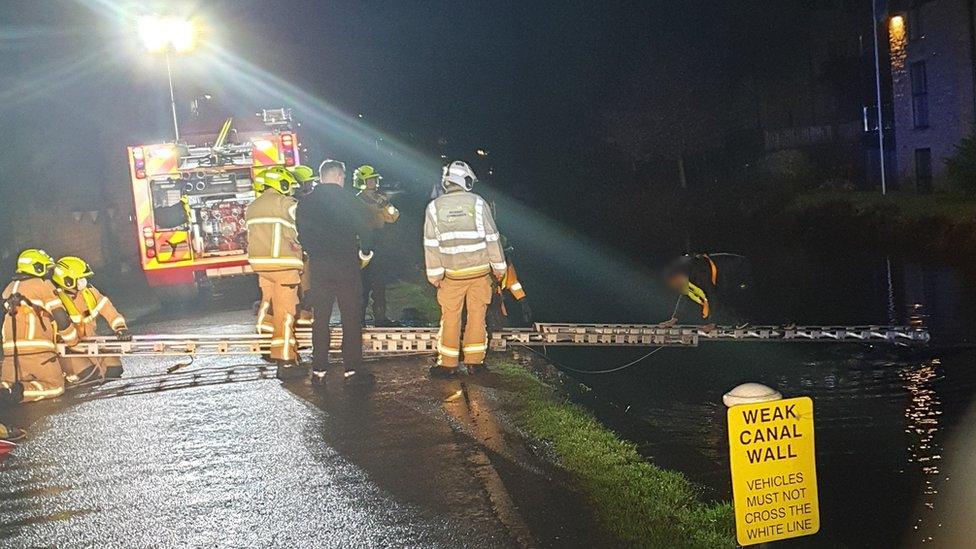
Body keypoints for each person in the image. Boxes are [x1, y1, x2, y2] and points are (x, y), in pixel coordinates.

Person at [424, 160, 506, 376]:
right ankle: (475, 363)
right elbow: (492, 238)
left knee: (450, 317)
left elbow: (431, 243)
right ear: (465, 180)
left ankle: (447, 365)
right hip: (479, 273)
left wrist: (434, 274)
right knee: (477, 317)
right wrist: (499, 268)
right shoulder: (478, 204)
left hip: (451, 276)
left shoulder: (434, 207)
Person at [296, 160, 374, 385]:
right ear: (340, 177)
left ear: (321, 178)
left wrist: (313, 251)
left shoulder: (306, 203)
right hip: (346, 264)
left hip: (319, 266)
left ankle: (319, 369)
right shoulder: (350, 200)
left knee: (320, 319)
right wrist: (365, 254)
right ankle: (352, 370)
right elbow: (366, 229)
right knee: (351, 317)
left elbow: (301, 235)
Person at [245, 166, 305, 379]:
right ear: (282, 183)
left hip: (262, 266)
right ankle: (286, 360)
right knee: (286, 313)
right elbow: (303, 226)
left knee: (268, 304)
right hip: (284, 265)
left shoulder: (252, 207)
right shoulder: (286, 204)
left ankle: (266, 342)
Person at [0, 249, 79, 404]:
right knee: (55, 387)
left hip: (10, 354)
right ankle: (21, 393)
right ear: (37, 267)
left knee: (6, 383)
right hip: (38, 353)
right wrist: (72, 340)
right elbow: (60, 317)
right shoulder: (43, 285)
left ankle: (8, 390)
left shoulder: (8, 289)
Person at [51, 256, 131, 383]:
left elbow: (108, 309)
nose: (83, 282)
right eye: (80, 279)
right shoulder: (55, 299)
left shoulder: (89, 293)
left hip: (90, 342)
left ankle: (95, 368)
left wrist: (120, 328)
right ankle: (68, 375)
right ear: (66, 280)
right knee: (88, 374)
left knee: (114, 370)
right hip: (67, 349)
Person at [353, 164, 400, 326]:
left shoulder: (381, 199)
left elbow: (393, 217)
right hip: (362, 246)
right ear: (361, 182)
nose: (373, 183)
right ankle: (359, 319)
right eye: (370, 180)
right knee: (362, 284)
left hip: (379, 244)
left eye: (374, 180)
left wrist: (385, 205)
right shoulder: (355, 201)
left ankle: (380, 317)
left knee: (379, 283)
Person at [661, 252, 753, 326]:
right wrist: (674, 319)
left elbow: (712, 295)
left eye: (674, 283)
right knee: (720, 295)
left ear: (677, 276)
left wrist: (712, 322)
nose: (675, 287)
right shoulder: (685, 275)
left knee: (721, 295)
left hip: (739, 269)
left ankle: (741, 322)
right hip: (727, 274)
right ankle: (737, 321)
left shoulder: (698, 273)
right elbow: (684, 296)